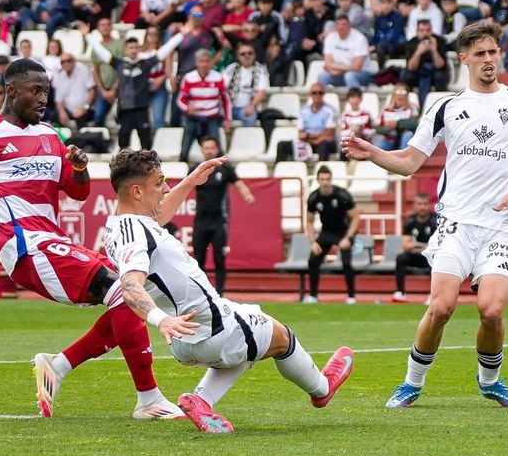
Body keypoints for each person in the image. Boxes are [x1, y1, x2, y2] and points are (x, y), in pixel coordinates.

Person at [0, 56, 183, 421]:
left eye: (46, 91)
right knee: (124, 292)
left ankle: (58, 366)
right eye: (35, 90)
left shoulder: (49, 134)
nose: (43, 98)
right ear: (11, 91)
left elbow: (78, 193)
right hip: (24, 245)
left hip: (52, 239)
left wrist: (80, 168)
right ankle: (149, 399)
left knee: (132, 293)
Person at [342, 19, 508, 409]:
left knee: (491, 310)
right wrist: (373, 153)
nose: (489, 59)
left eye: (493, 51)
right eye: (480, 53)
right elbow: (409, 161)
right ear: (464, 59)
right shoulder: (446, 106)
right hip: (456, 223)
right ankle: (412, 382)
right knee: (441, 307)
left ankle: (490, 382)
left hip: (501, 226)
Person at [100, 148, 354, 435]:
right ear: (136, 191)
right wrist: (162, 320)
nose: (166, 188)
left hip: (186, 337)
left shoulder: (121, 225)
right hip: (213, 326)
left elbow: (157, 216)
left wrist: (191, 180)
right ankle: (322, 389)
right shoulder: (135, 233)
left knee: (246, 348)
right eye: (159, 183)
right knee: (282, 338)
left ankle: (201, 401)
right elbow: (130, 285)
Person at [190, 135, 255, 295]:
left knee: (220, 260)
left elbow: (239, 184)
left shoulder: (225, 169)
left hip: (219, 222)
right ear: (202, 150)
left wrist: (247, 194)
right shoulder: (196, 169)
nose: (210, 151)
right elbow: (184, 187)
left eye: (212, 148)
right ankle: (201, 294)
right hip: (200, 222)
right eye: (207, 148)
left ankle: (219, 294)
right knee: (198, 261)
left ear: (217, 149)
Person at [304, 164, 361, 305]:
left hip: (343, 232)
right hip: (326, 232)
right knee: (313, 260)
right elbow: (309, 222)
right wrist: (313, 242)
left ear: (331, 179)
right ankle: (313, 296)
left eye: (328, 179)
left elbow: (356, 217)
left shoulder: (342, 195)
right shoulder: (313, 197)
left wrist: (348, 238)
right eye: (322, 179)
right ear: (318, 180)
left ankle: (351, 297)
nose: (325, 182)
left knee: (346, 263)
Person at [394, 192, 437, 302]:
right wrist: (424, 246)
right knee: (401, 258)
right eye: (419, 204)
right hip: (417, 256)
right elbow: (406, 246)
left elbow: (438, 245)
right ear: (414, 205)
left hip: (431, 256)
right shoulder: (410, 221)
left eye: (425, 204)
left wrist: (416, 244)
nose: (422, 207)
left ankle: (433, 295)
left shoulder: (436, 221)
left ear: (429, 205)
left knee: (436, 260)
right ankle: (400, 293)